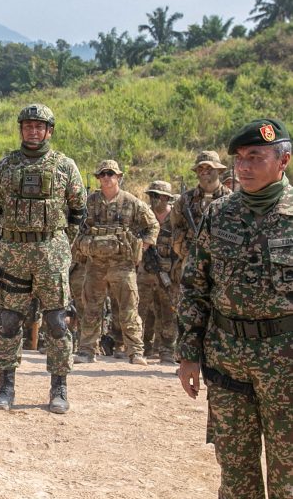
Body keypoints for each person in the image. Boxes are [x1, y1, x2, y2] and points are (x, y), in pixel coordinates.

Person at [177, 118, 293, 499]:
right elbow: (195, 285)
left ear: (283, 161)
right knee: (236, 457)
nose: (244, 167)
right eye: (240, 159)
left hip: (285, 357)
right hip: (228, 354)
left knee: (289, 459)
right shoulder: (220, 214)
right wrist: (188, 354)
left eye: (256, 158)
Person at [0, 104, 86, 413]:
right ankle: (6, 387)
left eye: (39, 126)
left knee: (57, 322)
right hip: (14, 253)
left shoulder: (65, 166)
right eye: (27, 125)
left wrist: (56, 243)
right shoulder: (5, 166)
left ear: (49, 131)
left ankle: (59, 388)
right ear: (21, 129)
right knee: (9, 321)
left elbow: (78, 211)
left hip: (51, 254)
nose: (33, 130)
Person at [73, 160, 158, 365]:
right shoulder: (90, 202)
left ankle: (135, 351)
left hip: (123, 264)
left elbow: (153, 225)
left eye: (110, 174)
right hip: (96, 264)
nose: (106, 178)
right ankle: (86, 350)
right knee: (92, 307)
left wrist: (142, 246)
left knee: (129, 308)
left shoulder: (131, 202)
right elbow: (77, 228)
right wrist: (83, 246)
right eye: (102, 174)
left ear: (118, 177)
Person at [171, 150, 232, 301]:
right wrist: (185, 247)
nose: (204, 171)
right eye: (200, 168)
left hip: (223, 263)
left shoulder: (231, 199)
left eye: (209, 168)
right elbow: (175, 228)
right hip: (191, 261)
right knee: (191, 303)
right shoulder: (185, 200)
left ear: (218, 170)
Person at [137, 180, 177, 363]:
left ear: (166, 198)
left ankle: (166, 350)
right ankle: (139, 347)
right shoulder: (144, 218)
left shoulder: (176, 219)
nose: (152, 200)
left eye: (156, 196)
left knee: (168, 312)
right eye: (150, 196)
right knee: (139, 310)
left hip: (168, 273)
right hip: (145, 272)